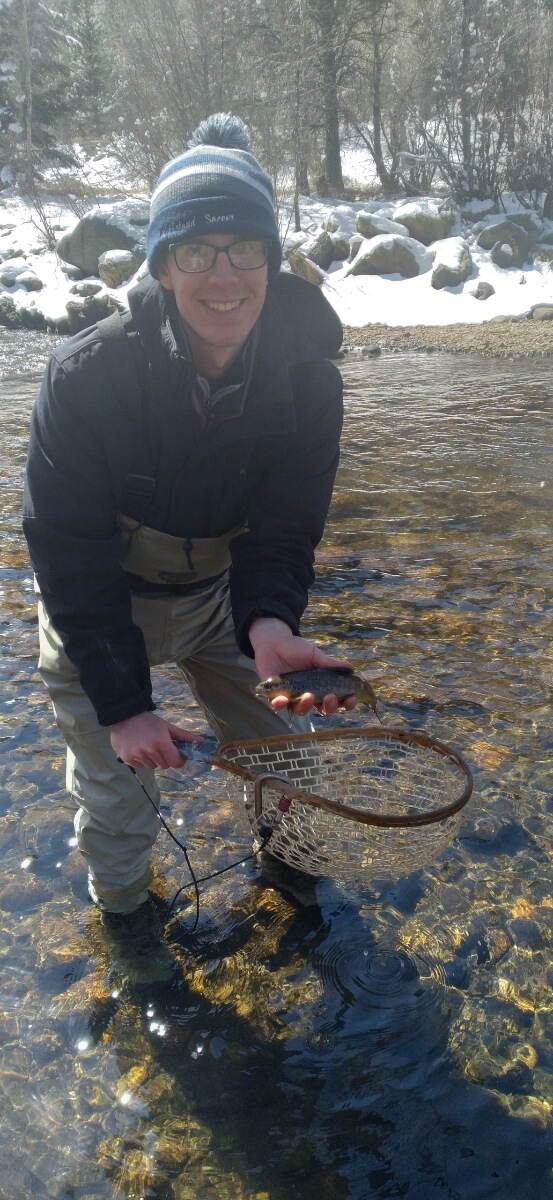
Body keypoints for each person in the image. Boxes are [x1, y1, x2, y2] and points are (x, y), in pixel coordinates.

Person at [22, 113, 356, 978]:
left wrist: (270, 624)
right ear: (162, 265)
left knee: (286, 757)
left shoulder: (309, 384)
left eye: (244, 248)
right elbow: (66, 553)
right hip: (102, 603)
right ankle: (130, 931)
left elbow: (283, 528)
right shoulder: (86, 376)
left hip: (220, 598)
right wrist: (124, 703)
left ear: (271, 262)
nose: (222, 274)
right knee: (120, 798)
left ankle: (291, 879)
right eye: (196, 250)